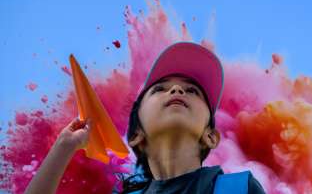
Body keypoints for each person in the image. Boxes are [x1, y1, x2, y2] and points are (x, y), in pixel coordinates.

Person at [25, 42, 265, 194]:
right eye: (160, 89)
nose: (177, 91)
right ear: (137, 134)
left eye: (192, 91)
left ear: (211, 136)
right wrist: (63, 147)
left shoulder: (240, 189)